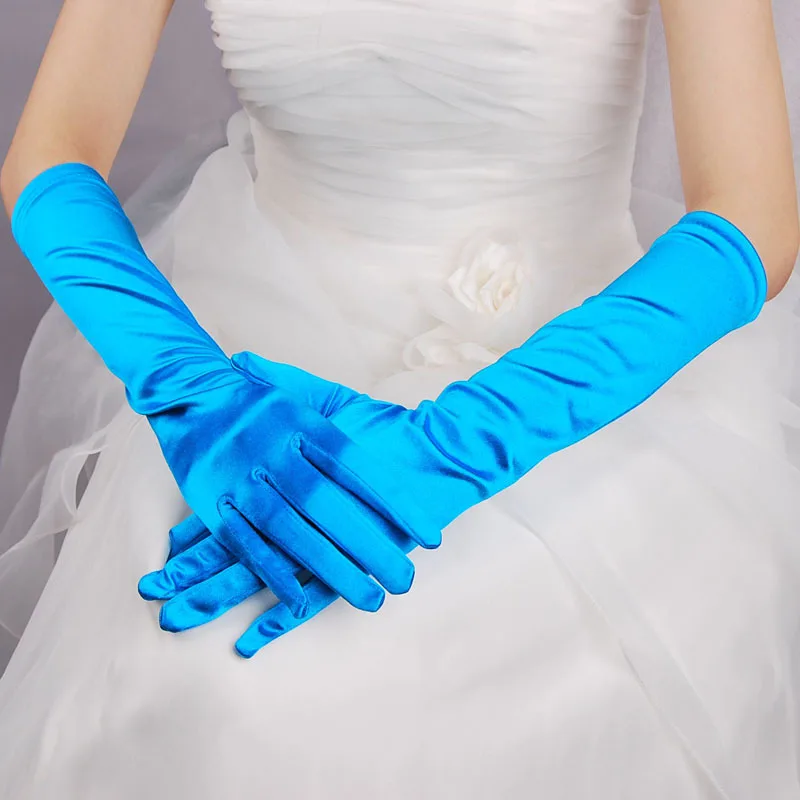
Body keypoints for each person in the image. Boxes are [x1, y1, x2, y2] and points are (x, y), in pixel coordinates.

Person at [0, 0, 799, 797]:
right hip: (254, 377)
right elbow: (51, 149)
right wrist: (189, 385)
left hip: (575, 374)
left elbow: (751, 215)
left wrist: (460, 442)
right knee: (201, 685)